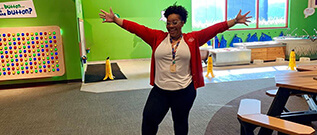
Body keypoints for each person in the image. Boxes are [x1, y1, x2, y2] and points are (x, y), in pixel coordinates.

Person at [99, 5, 251, 135]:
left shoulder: (192, 39)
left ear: (182, 23)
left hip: (184, 91)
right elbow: (137, 29)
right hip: (160, 91)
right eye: (168, 22)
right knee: (149, 121)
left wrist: (234, 21)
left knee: (180, 124)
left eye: (175, 22)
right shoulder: (156, 37)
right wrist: (116, 20)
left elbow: (213, 30)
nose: (171, 26)